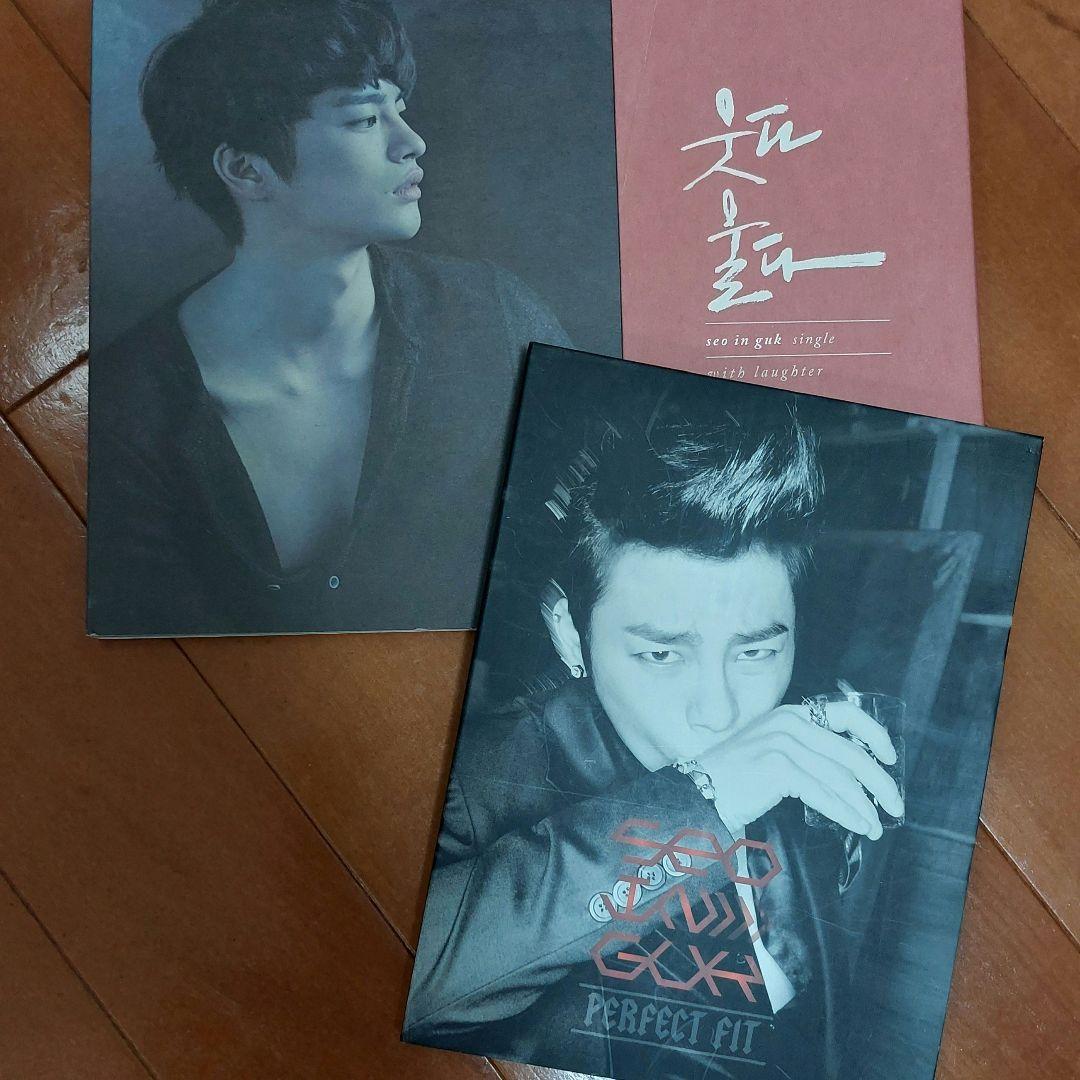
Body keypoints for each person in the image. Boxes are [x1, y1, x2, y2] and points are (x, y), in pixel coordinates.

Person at [404, 397, 904, 1078]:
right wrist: (703, 799)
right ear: (569, 635)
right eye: (662, 653)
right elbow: (408, 974)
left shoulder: (804, 751)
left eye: (756, 651)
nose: (719, 712)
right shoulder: (472, 781)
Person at [87, 0, 569, 636]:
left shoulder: (495, 319)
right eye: (365, 118)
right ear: (246, 169)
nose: (412, 141)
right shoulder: (126, 409)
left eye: (399, 108)